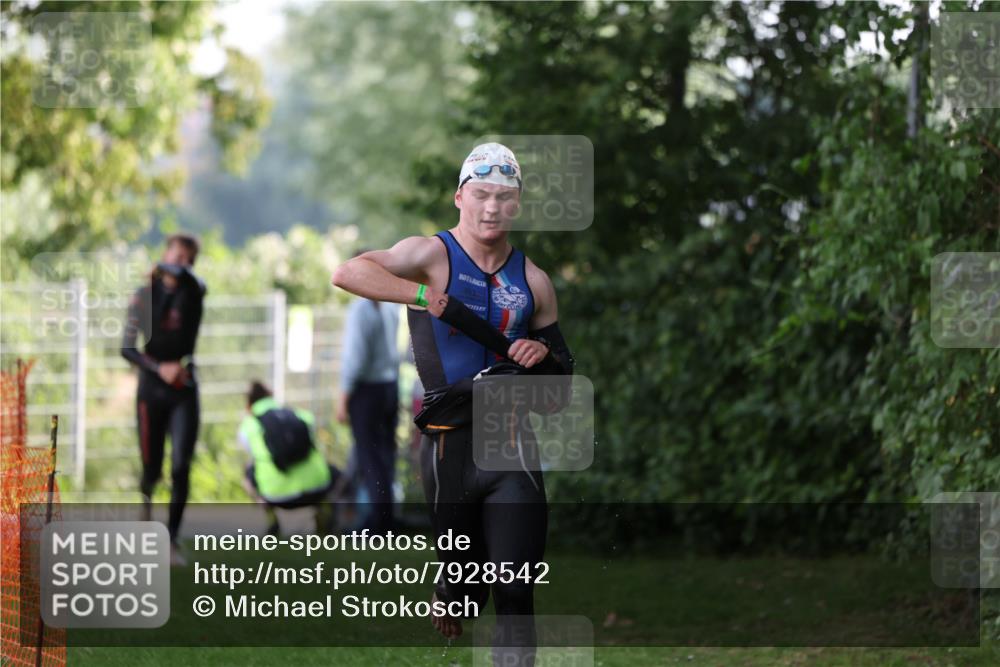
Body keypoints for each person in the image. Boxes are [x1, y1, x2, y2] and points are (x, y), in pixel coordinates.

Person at [330, 143, 574, 663]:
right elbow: (347, 273)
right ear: (460, 197)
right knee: (466, 596)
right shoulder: (429, 256)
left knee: (514, 589)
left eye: (504, 198)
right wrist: (425, 298)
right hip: (446, 450)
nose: (492, 208)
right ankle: (451, 588)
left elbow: (557, 396)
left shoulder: (534, 283)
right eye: (481, 194)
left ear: (517, 206)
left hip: (511, 447)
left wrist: (541, 357)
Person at [121, 233, 206, 566]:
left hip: (184, 389)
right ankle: (145, 516)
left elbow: (195, 281)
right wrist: (159, 368)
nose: (181, 261)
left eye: (188, 257)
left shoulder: (194, 292)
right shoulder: (143, 296)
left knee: (181, 465)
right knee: (151, 467)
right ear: (166, 251)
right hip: (151, 391)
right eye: (177, 254)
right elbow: (126, 348)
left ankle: (170, 539)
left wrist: (167, 268)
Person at [336, 269, 401, 536]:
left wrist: (343, 397)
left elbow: (355, 359)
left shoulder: (361, 309)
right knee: (385, 457)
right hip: (389, 387)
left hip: (367, 392)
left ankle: (377, 523)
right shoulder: (389, 307)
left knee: (370, 458)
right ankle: (387, 519)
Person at [238, 381, 341, 535]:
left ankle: (271, 517)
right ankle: (324, 509)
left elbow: (252, 454)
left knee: (248, 472)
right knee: (330, 470)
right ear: (271, 396)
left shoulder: (248, 425)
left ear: (249, 404)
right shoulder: (300, 415)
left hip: (275, 495)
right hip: (316, 489)